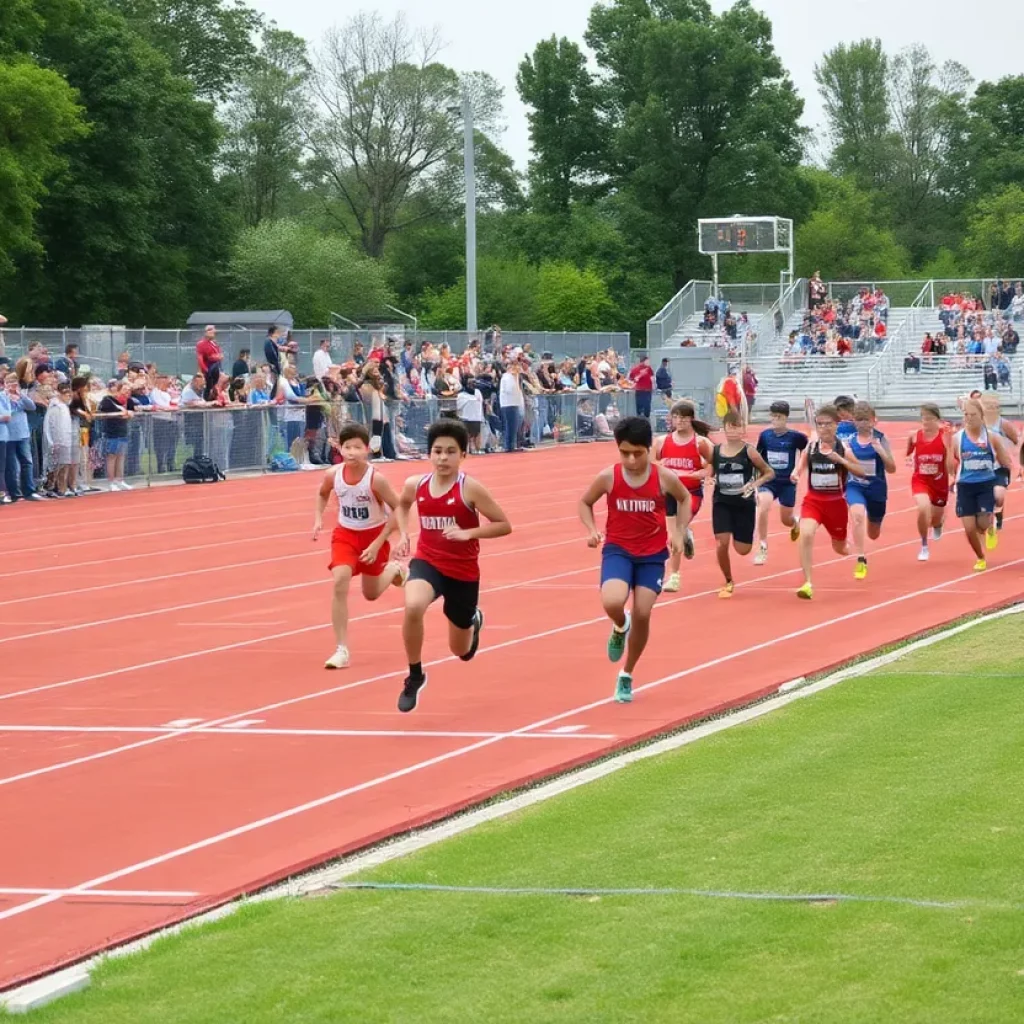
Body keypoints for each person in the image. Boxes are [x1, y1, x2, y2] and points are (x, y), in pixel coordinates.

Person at [396, 420, 512, 713]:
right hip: (428, 561)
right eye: (437, 451)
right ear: (429, 454)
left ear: (463, 455)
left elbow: (504, 524)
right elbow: (402, 504)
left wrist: (468, 533)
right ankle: (415, 674)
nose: (443, 458)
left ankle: (472, 621)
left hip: (462, 572)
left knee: (460, 651)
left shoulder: (469, 489)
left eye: (450, 452)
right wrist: (402, 534)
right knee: (412, 606)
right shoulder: (416, 484)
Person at [579, 416, 691, 704]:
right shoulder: (609, 477)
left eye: (637, 453)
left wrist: (679, 531)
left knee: (642, 612)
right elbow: (585, 502)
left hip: (652, 555)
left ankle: (626, 674)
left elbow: (684, 499)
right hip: (618, 549)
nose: (630, 459)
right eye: (624, 453)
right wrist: (592, 530)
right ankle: (619, 625)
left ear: (648, 450)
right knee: (613, 602)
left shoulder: (663, 477)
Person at [313, 423, 409, 669]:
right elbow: (323, 493)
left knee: (371, 593)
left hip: (373, 535)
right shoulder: (333, 475)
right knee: (340, 581)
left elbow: (399, 508)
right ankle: (341, 649)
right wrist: (318, 519)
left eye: (357, 447)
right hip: (345, 535)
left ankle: (395, 569)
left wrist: (379, 543)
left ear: (367, 450)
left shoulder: (376, 479)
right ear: (340, 449)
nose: (352, 452)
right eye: (347, 447)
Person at [794, 404, 867, 599]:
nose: (824, 428)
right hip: (813, 501)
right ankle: (807, 582)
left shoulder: (843, 447)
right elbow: (801, 464)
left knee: (840, 548)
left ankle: (851, 546)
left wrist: (841, 461)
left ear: (836, 425)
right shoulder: (811, 446)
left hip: (835, 504)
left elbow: (862, 472)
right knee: (806, 534)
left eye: (828, 424)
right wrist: (795, 473)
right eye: (820, 424)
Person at [710, 411, 774, 597]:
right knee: (722, 543)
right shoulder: (716, 451)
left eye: (737, 426)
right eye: (730, 426)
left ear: (743, 429)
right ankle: (728, 580)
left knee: (742, 549)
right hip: (722, 502)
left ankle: (748, 536)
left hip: (743, 504)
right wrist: (704, 477)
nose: (733, 431)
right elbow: (709, 470)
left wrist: (754, 484)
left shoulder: (749, 451)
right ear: (724, 428)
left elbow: (768, 472)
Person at [653, 400, 712, 590]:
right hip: (669, 495)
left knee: (675, 533)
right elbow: (655, 463)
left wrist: (702, 474)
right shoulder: (662, 441)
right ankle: (685, 535)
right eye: (676, 417)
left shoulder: (701, 442)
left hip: (691, 494)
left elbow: (713, 465)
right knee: (670, 536)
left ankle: (675, 576)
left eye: (683, 418)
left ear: (691, 419)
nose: (679, 421)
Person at [948, 398, 1012, 572]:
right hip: (965, 486)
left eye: (973, 415)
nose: (969, 418)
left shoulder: (991, 437)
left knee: (981, 524)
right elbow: (951, 463)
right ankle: (980, 557)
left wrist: (1005, 471)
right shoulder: (957, 438)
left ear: (981, 416)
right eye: (966, 415)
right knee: (969, 528)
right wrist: (952, 476)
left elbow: (1004, 459)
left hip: (985, 484)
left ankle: (990, 525)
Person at [845, 401, 896, 580]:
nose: (863, 424)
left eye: (866, 420)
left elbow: (892, 469)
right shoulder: (849, 442)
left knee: (873, 533)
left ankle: (871, 522)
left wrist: (880, 451)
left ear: (873, 421)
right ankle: (861, 558)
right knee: (857, 514)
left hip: (876, 489)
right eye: (859, 420)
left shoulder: (881, 439)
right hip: (855, 485)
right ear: (854, 421)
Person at [754, 400, 808, 564]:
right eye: (773, 416)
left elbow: (807, 453)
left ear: (786, 418)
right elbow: (757, 457)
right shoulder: (765, 436)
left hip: (787, 483)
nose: (775, 420)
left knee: (786, 520)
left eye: (779, 417)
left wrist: (796, 471)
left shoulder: (796, 437)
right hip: (768, 481)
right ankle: (762, 546)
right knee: (763, 507)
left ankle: (795, 521)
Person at [907, 403, 951, 562]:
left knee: (935, 519)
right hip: (921, 479)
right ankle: (924, 545)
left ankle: (938, 524)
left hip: (939, 482)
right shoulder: (915, 436)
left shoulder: (944, 437)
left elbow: (951, 458)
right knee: (923, 508)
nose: (926, 422)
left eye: (930, 419)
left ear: (937, 420)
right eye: (923, 418)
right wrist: (908, 458)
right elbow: (908, 452)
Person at [979, 393, 1019, 538]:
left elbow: (1017, 440)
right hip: (980, 467)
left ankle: (998, 513)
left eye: (993, 405)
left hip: (1000, 466)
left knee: (999, 494)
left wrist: (1014, 456)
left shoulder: (1003, 424)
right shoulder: (975, 423)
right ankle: (988, 520)